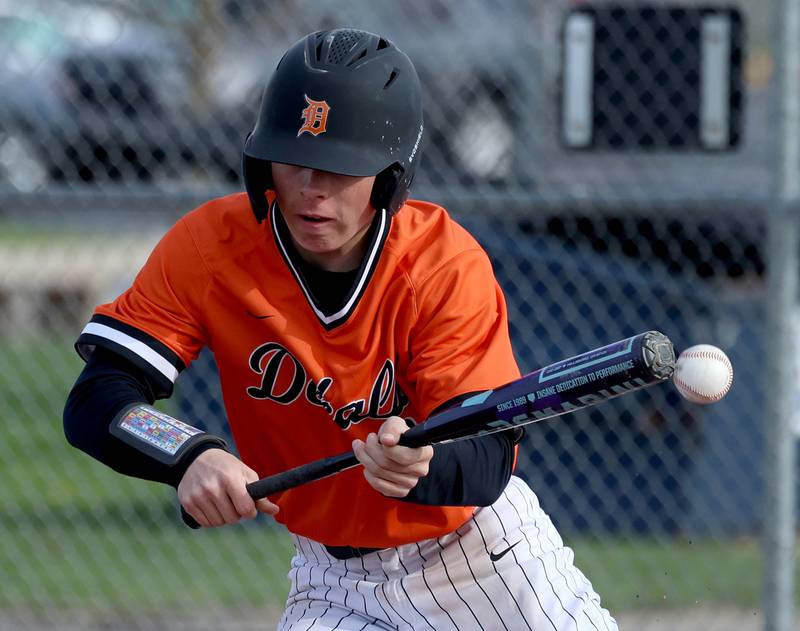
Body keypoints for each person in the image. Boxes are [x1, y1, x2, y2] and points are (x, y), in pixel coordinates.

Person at [64, 28, 617, 630]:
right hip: (333, 581)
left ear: (389, 176)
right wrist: (185, 454)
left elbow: (488, 455)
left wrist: (423, 464)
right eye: (294, 159)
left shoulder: (440, 265)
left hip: (482, 565)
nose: (310, 189)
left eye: (338, 167)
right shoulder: (209, 248)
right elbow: (99, 396)